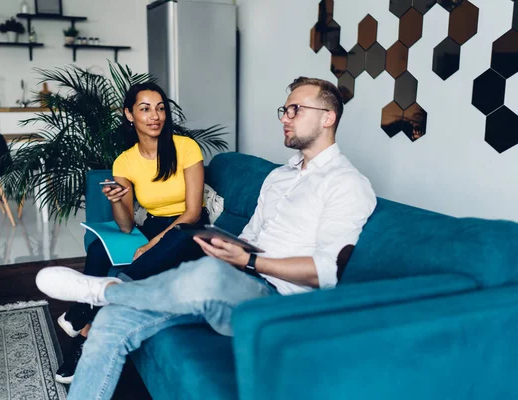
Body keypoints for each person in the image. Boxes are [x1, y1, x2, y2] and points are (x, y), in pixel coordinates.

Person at [36, 77, 377, 398]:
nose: (285, 118)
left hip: (277, 299)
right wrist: (226, 248)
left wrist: (250, 260)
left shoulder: (346, 184)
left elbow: (329, 272)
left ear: (328, 117)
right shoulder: (278, 178)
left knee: (205, 268)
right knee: (114, 321)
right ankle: (108, 305)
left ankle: (106, 290)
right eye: (283, 110)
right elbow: (249, 236)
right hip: (235, 280)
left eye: (295, 110)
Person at [53, 81, 210, 383]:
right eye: (145, 108)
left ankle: (84, 315)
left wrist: (152, 245)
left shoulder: (186, 147)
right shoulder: (124, 161)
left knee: (173, 237)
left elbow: (191, 212)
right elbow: (126, 224)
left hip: (190, 227)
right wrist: (117, 201)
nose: (155, 116)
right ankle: (84, 330)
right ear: (129, 114)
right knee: (100, 249)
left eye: (161, 108)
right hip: (152, 223)